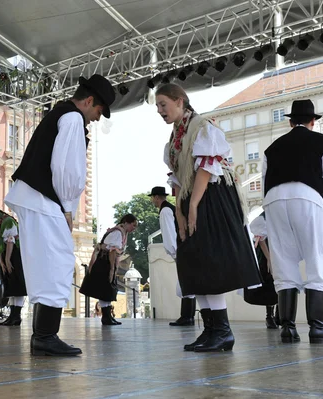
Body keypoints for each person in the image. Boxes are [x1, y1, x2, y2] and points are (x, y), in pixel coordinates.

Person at [5, 74, 115, 356]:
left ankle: (42, 335)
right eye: (98, 112)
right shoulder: (72, 118)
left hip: (35, 196)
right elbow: (67, 168)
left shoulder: (60, 114)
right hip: (45, 199)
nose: (96, 119)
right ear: (89, 101)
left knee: (45, 265)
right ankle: (45, 335)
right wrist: (67, 207)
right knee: (59, 262)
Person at [155, 83, 260, 352]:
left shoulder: (202, 126)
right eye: (158, 106)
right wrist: (179, 209)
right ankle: (212, 329)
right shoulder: (175, 137)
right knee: (195, 264)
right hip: (192, 197)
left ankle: (222, 330)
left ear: (180, 101)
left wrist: (193, 207)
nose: (160, 111)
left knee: (210, 262)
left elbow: (207, 167)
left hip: (211, 196)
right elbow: (176, 177)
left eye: (163, 104)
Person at [262, 99, 323, 345]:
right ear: (313, 121)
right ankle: (317, 328)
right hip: (308, 197)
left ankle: (288, 328)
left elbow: (265, 181)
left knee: (284, 262)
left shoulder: (271, 147)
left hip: (274, 200)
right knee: (316, 259)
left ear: (291, 121)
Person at [148, 186, 196, 327]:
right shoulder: (171, 208)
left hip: (180, 250)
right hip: (184, 248)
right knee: (186, 282)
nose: (152, 201)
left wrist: (174, 252)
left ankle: (187, 317)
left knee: (185, 282)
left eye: (153, 198)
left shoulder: (165, 211)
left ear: (157, 197)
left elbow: (169, 234)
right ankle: (188, 316)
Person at [80, 214, 138, 325]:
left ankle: (107, 316)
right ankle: (106, 317)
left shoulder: (121, 232)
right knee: (105, 289)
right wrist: (112, 268)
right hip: (105, 262)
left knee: (106, 290)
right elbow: (112, 251)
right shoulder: (117, 233)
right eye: (133, 225)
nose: (134, 228)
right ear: (126, 222)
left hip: (106, 262)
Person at [245, 212, 279, 329]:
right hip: (268, 252)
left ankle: (279, 315)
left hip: (279, 250)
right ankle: (270, 316)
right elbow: (260, 236)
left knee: (283, 283)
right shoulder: (267, 214)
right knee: (270, 282)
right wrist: (269, 257)